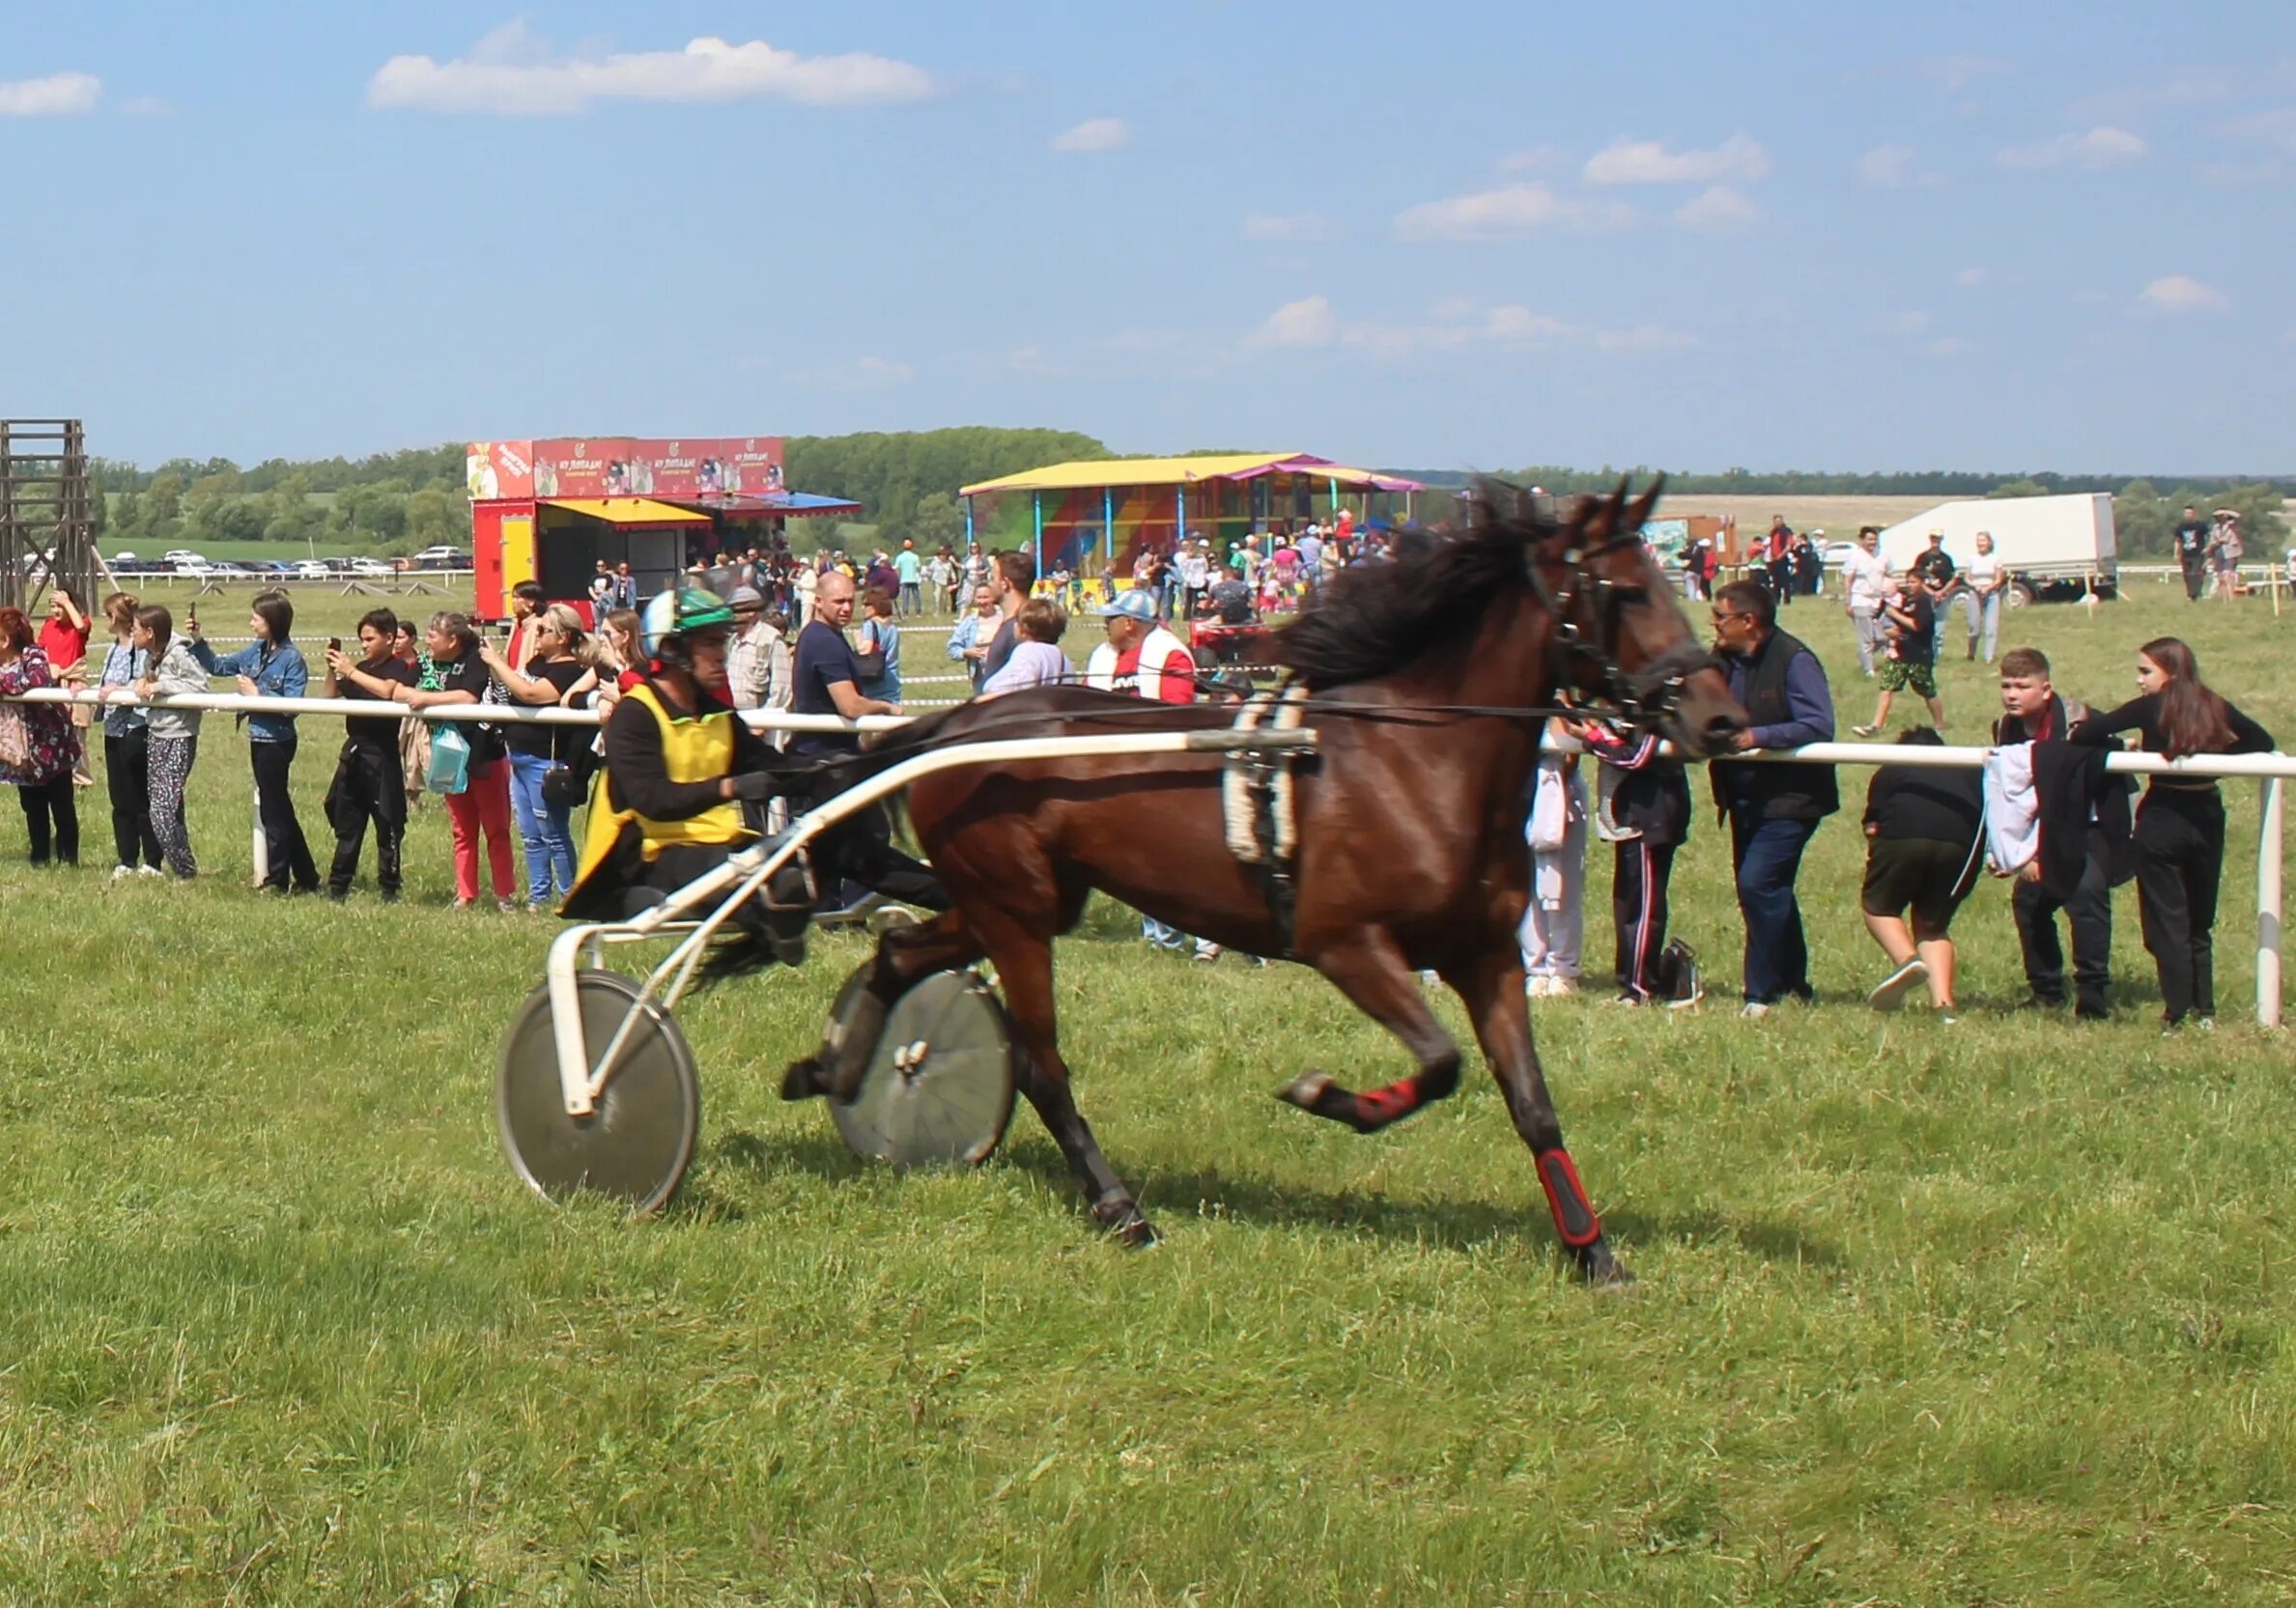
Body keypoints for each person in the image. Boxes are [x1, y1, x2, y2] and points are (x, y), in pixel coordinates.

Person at [561, 586, 808, 966]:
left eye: (722, 641)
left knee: (781, 858)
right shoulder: (634, 715)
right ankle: (766, 917)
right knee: (731, 869)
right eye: (710, 642)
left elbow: (774, 767)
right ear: (674, 650)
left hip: (711, 848)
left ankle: (775, 914)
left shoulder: (718, 715)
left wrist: (828, 769)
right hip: (643, 859)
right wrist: (731, 787)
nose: (721, 653)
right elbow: (654, 801)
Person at [2073, 637, 2276, 1030]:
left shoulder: (2152, 706)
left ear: (2171, 671)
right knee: (2199, 921)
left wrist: (2125, 746)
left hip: (2164, 816)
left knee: (2167, 919)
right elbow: (2261, 741)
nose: (2139, 680)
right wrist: (2212, 761)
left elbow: (2087, 733)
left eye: (2145, 671)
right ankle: (2205, 1011)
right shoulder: (2213, 703)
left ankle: (2177, 1012)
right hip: (2207, 814)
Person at [1708, 579, 1837, 1017]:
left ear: (1749, 621)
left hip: (1791, 798)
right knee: (1769, 889)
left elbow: (1818, 724)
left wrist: (1756, 737)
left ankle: (1759, 994)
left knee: (1758, 883)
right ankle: (1795, 983)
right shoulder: (1720, 660)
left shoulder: (1795, 659)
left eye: (1720, 616)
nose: (1714, 625)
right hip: (1742, 795)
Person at [1994, 646, 2118, 1021]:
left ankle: (2093, 995)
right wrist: (2009, 851)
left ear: (2046, 689)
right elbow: (2011, 794)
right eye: (2006, 685)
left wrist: (2041, 851)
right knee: (2030, 904)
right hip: (2039, 829)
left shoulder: (2080, 722)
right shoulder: (2006, 727)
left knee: (2086, 901)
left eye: (2022, 686)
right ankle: (2046, 990)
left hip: (2087, 825)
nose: (2012, 694)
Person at [1568, 714, 1701, 1007]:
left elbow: (1636, 757)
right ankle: (1632, 982)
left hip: (1650, 819)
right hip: (1633, 819)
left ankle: (1640, 988)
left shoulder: (1661, 711)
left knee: (1642, 910)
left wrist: (1592, 739)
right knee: (1627, 904)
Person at [191, 588, 319, 894]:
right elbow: (220, 666)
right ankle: (306, 876)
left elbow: (292, 707)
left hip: (277, 742)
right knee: (279, 809)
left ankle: (277, 879)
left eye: (256, 617)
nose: (251, 622)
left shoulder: (292, 659)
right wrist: (198, 640)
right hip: (258, 739)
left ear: (272, 621)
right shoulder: (256, 650)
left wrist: (257, 696)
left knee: (274, 812)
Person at [1858, 727, 1984, 1020]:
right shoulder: (1966, 769)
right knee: (1933, 924)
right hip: (1961, 844)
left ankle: (1907, 962)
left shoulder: (1892, 768)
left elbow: (1872, 825)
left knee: (1879, 907)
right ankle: (1944, 1006)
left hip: (1904, 835)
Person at [396, 612, 518, 910]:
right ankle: (466, 893)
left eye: (433, 635)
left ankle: (504, 896)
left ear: (453, 640)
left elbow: (468, 697)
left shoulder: (476, 658)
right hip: (449, 754)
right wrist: (417, 694)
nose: (427, 639)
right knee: (462, 830)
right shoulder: (426, 661)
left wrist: (426, 698)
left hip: (484, 755)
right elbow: (400, 690)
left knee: (497, 829)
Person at [484, 603, 593, 912]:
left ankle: (570, 896)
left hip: (546, 762)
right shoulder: (536, 664)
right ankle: (538, 896)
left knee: (554, 834)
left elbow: (532, 695)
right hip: (518, 757)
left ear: (562, 637)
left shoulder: (570, 670)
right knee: (530, 835)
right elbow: (515, 685)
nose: (538, 634)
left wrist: (496, 661)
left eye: (543, 630)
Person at [319, 608, 416, 899]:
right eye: (361, 639)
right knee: (348, 823)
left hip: (382, 755)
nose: (364, 645)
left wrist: (351, 672)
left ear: (389, 638)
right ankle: (338, 886)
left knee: (388, 824)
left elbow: (387, 692)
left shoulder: (400, 667)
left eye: (369, 639)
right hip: (355, 752)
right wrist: (332, 669)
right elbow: (328, 695)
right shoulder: (362, 667)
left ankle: (389, 887)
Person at [127, 605, 205, 879]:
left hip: (179, 736)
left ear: (150, 632)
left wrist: (160, 686)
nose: (130, 632)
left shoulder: (180, 653)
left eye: (134, 628)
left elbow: (200, 685)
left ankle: (185, 870)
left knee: (162, 810)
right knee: (169, 808)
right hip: (156, 734)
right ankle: (185, 869)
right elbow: (149, 683)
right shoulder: (150, 656)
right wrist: (138, 685)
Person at [0, 607, 79, 865]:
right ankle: (40, 857)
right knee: (32, 808)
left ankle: (69, 859)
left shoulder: (32, 655)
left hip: (50, 745)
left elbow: (37, 680)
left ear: (6, 639)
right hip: (20, 753)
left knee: (62, 807)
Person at [93, 593, 162, 878]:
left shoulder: (143, 650)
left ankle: (153, 860)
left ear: (118, 618)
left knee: (142, 797)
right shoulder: (112, 649)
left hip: (136, 728)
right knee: (120, 798)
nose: (105, 620)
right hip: (112, 728)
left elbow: (145, 682)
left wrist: (118, 690)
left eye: (108, 615)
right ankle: (126, 858)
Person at [1519, 720, 1587, 997]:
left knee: (1564, 883)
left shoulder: (1567, 700)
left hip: (1561, 786)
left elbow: (1571, 750)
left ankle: (1562, 967)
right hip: (1521, 787)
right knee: (1526, 884)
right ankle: (1535, 967)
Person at [1855, 579, 1944, 736]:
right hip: (1900, 653)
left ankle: (1940, 725)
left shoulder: (1924, 602)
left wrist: (1894, 614)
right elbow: (1900, 627)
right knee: (1886, 687)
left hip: (1919, 656)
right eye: (1908, 581)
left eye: (1913, 582)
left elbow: (1917, 625)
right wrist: (1887, 635)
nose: (1909, 585)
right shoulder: (1906, 601)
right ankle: (1876, 726)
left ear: (1922, 583)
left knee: (1927, 690)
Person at [37, 585, 93, 789]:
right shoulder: (48, 626)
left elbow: (81, 627)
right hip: (53, 683)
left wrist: (68, 603)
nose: (56, 611)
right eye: (53, 606)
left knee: (76, 734)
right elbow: (40, 650)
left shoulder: (81, 623)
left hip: (74, 683)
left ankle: (81, 780)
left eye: (60, 606)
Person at [981, 597, 1072, 695]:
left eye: (1017, 620)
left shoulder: (1028, 651)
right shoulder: (1063, 658)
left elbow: (1017, 685)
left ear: (1024, 628)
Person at [724, 585, 788, 713]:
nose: (731, 614)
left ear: (751, 611)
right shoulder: (733, 641)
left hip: (760, 723)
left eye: (735, 610)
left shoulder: (771, 639)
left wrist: (762, 723)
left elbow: (782, 691)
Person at [977, 550, 1034, 685]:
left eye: (992, 578)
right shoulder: (1018, 625)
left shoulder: (1020, 630)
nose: (989, 584)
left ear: (1005, 583)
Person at [1840, 526, 1890, 677]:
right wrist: (1848, 602)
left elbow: (1888, 576)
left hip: (1879, 601)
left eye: (1874, 539)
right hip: (1860, 599)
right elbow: (1848, 580)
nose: (1872, 542)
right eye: (1869, 539)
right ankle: (1869, 669)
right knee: (1866, 637)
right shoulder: (1855, 556)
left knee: (1882, 637)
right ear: (1862, 540)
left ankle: (1863, 655)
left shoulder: (1883, 556)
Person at [1907, 529, 1957, 662]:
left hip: (1942, 597)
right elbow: (1916, 578)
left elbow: (1952, 578)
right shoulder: (1923, 558)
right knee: (1925, 626)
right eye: (1933, 538)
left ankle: (1937, 656)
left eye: (1938, 538)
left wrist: (1942, 592)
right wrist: (1931, 593)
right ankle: (1923, 652)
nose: (1936, 541)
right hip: (1926, 597)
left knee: (1940, 628)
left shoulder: (1946, 559)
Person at [1960, 530, 2004, 664]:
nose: (1980, 543)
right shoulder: (1972, 559)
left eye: (1983, 540)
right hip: (1975, 593)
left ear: (1989, 542)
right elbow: (1967, 578)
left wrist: (1988, 588)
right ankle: (1971, 652)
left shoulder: (1995, 559)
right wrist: (1976, 586)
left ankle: (1989, 657)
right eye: (1978, 541)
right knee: (1974, 628)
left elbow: (1999, 579)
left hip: (1991, 595)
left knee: (1991, 628)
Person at [948, 582, 1000, 694]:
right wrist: (966, 652)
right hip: (979, 677)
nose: (982, 601)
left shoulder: (1004, 619)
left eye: (985, 597)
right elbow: (952, 648)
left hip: (1002, 675)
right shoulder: (969, 623)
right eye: (979, 598)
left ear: (993, 598)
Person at [854, 587, 902, 705]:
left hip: (873, 680)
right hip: (892, 680)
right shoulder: (892, 627)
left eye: (866, 604)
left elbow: (865, 650)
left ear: (876, 605)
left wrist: (857, 637)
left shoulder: (870, 625)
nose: (863, 608)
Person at [2172, 504, 2209, 601]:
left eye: (2190, 513)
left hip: (2197, 554)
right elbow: (2177, 540)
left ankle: (2195, 594)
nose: (2188, 515)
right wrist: (2176, 553)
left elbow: (2208, 537)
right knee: (2187, 575)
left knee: (2194, 574)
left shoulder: (2200, 526)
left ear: (2194, 514)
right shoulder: (2181, 527)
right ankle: (2191, 594)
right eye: (2186, 513)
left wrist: (2209, 550)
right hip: (2185, 554)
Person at [1762, 516, 1795, 603]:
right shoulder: (1773, 532)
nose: (1777, 523)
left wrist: (1781, 555)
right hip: (1774, 560)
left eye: (1779, 521)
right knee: (1775, 581)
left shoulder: (1786, 531)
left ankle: (1787, 599)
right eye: (1776, 521)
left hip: (1782, 559)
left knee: (1785, 580)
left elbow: (1788, 546)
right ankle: (1776, 599)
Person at [893, 539, 922, 617]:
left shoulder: (900, 557)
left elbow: (896, 568)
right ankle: (918, 612)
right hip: (914, 579)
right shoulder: (915, 557)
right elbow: (918, 568)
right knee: (916, 596)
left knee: (905, 597)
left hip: (904, 579)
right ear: (912, 547)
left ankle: (905, 612)